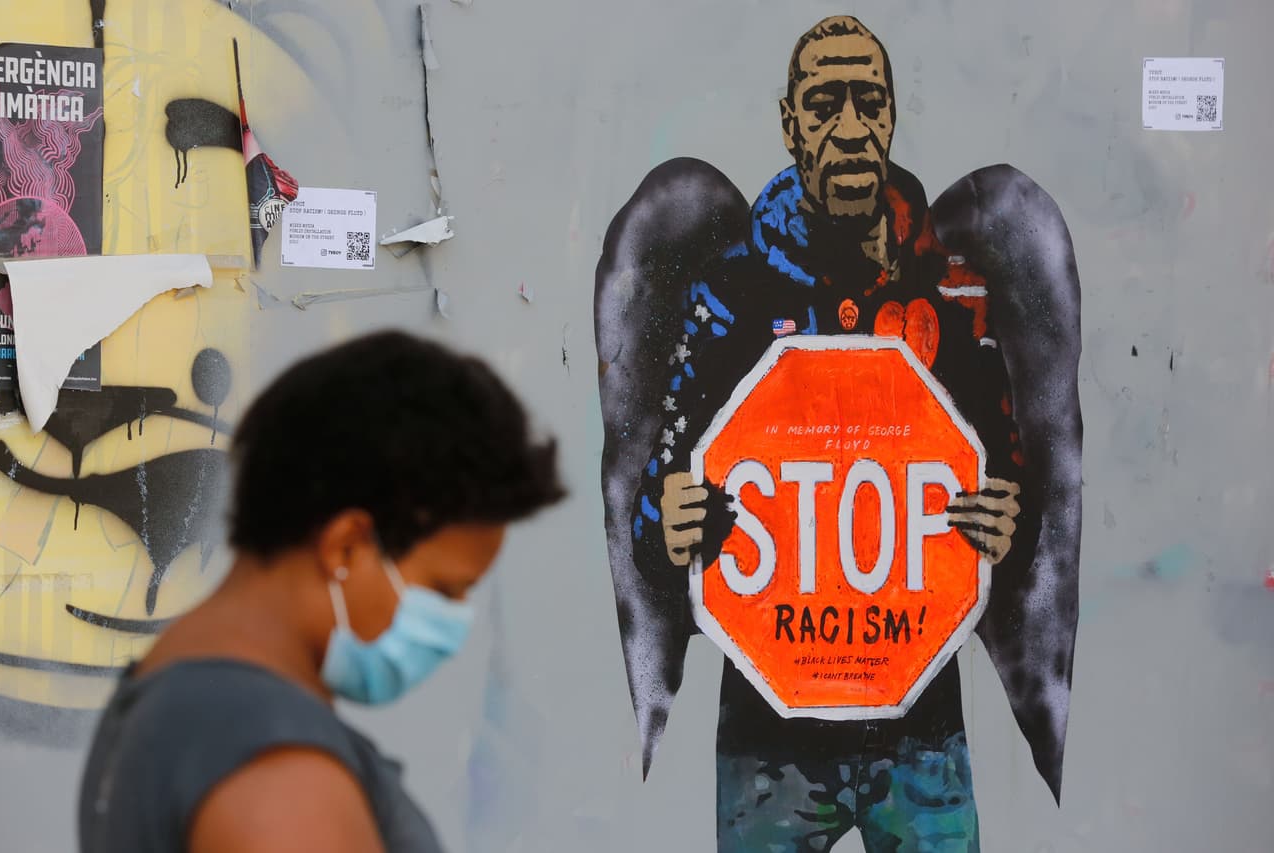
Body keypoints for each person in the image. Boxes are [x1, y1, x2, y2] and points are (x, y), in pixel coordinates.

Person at [597, 14, 1081, 853]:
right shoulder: (732, 295)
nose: (850, 128)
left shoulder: (947, 292)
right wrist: (666, 522)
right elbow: (653, 516)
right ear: (791, 124)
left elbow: (1011, 486)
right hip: (769, 742)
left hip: (923, 730)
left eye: (869, 102)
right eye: (825, 105)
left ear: (891, 115)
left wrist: (1010, 519)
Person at [77, 330, 564, 853]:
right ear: (346, 546)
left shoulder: (172, 692)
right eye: (445, 591)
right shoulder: (279, 780)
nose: (455, 627)